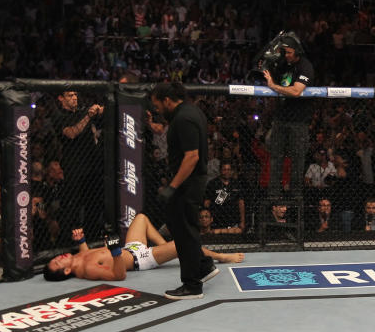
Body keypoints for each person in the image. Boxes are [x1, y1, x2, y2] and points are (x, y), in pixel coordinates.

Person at [151, 82, 216, 299]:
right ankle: (204, 265)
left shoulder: (184, 118)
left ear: (167, 100)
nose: (158, 111)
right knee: (181, 227)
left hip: (187, 182)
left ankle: (191, 285)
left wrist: (172, 186)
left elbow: (192, 157)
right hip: (189, 181)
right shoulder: (189, 112)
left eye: (158, 106)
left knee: (185, 231)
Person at [43, 212, 244, 281]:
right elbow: (118, 275)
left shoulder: (79, 258)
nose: (58, 257)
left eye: (54, 258)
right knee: (184, 242)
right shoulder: (86, 270)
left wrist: (81, 242)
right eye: (57, 263)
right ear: (67, 270)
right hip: (141, 259)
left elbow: (88, 254)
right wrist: (114, 252)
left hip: (131, 248)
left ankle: (169, 250)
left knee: (141, 218)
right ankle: (221, 257)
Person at [262, 32, 314, 201]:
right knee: (276, 158)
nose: (286, 55)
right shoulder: (284, 63)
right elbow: (265, 69)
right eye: (284, 52)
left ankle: (295, 197)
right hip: (281, 119)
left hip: (298, 121)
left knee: (297, 160)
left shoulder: (305, 66)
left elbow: (296, 91)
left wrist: (274, 86)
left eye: (289, 52)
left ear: (297, 52)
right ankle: (274, 196)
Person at [52, 89, 105, 238]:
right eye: (70, 95)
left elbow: (104, 114)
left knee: (93, 205)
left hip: (92, 166)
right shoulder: (59, 116)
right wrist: (88, 116)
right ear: (61, 98)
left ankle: (92, 238)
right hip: (73, 168)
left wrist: (100, 109)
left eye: (76, 95)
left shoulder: (83, 112)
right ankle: (69, 241)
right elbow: (71, 133)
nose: (74, 98)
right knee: (72, 207)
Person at [203, 161, 246, 233]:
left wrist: (242, 221)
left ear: (232, 171)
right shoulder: (213, 183)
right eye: (224, 170)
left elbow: (241, 203)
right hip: (217, 220)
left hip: (233, 219)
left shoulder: (236, 184)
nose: (226, 172)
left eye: (228, 170)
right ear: (220, 171)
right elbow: (207, 203)